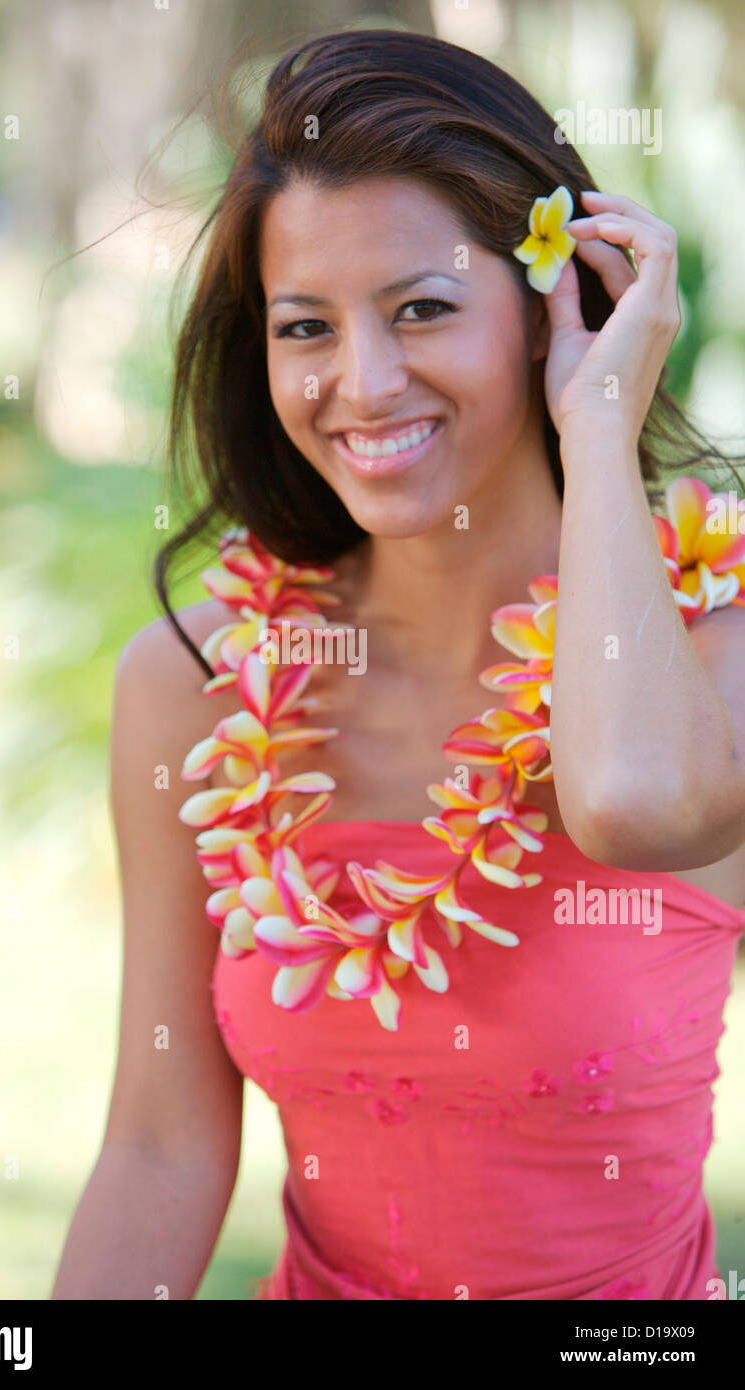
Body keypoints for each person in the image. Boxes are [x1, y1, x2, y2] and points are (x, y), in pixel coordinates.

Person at [52, 29, 745, 1301]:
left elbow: (639, 804)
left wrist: (600, 426)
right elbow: (158, 1146)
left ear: (559, 305)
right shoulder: (191, 684)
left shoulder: (723, 658)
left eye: (423, 307)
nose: (361, 384)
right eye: (304, 325)